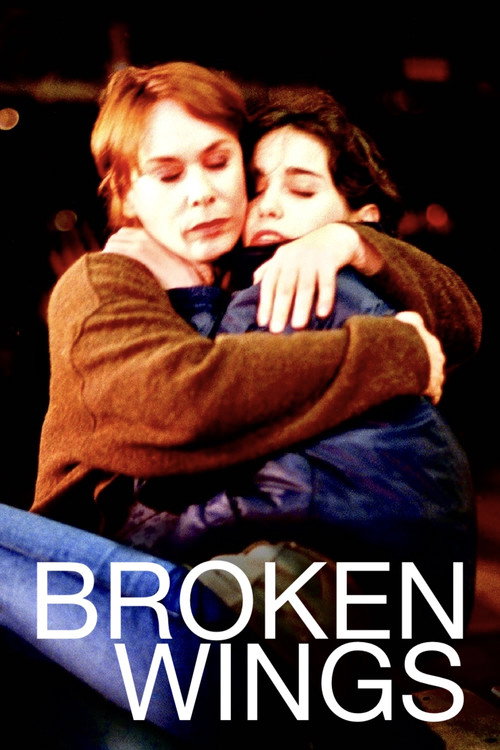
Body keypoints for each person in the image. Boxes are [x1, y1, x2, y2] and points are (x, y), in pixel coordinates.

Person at [0, 62, 480, 745]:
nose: (201, 192)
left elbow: (462, 322)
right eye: (168, 174)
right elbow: (182, 401)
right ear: (126, 193)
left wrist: (349, 240)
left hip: (192, 620)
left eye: (220, 163)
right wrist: (391, 352)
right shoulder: (105, 280)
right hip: (88, 606)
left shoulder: (256, 280)